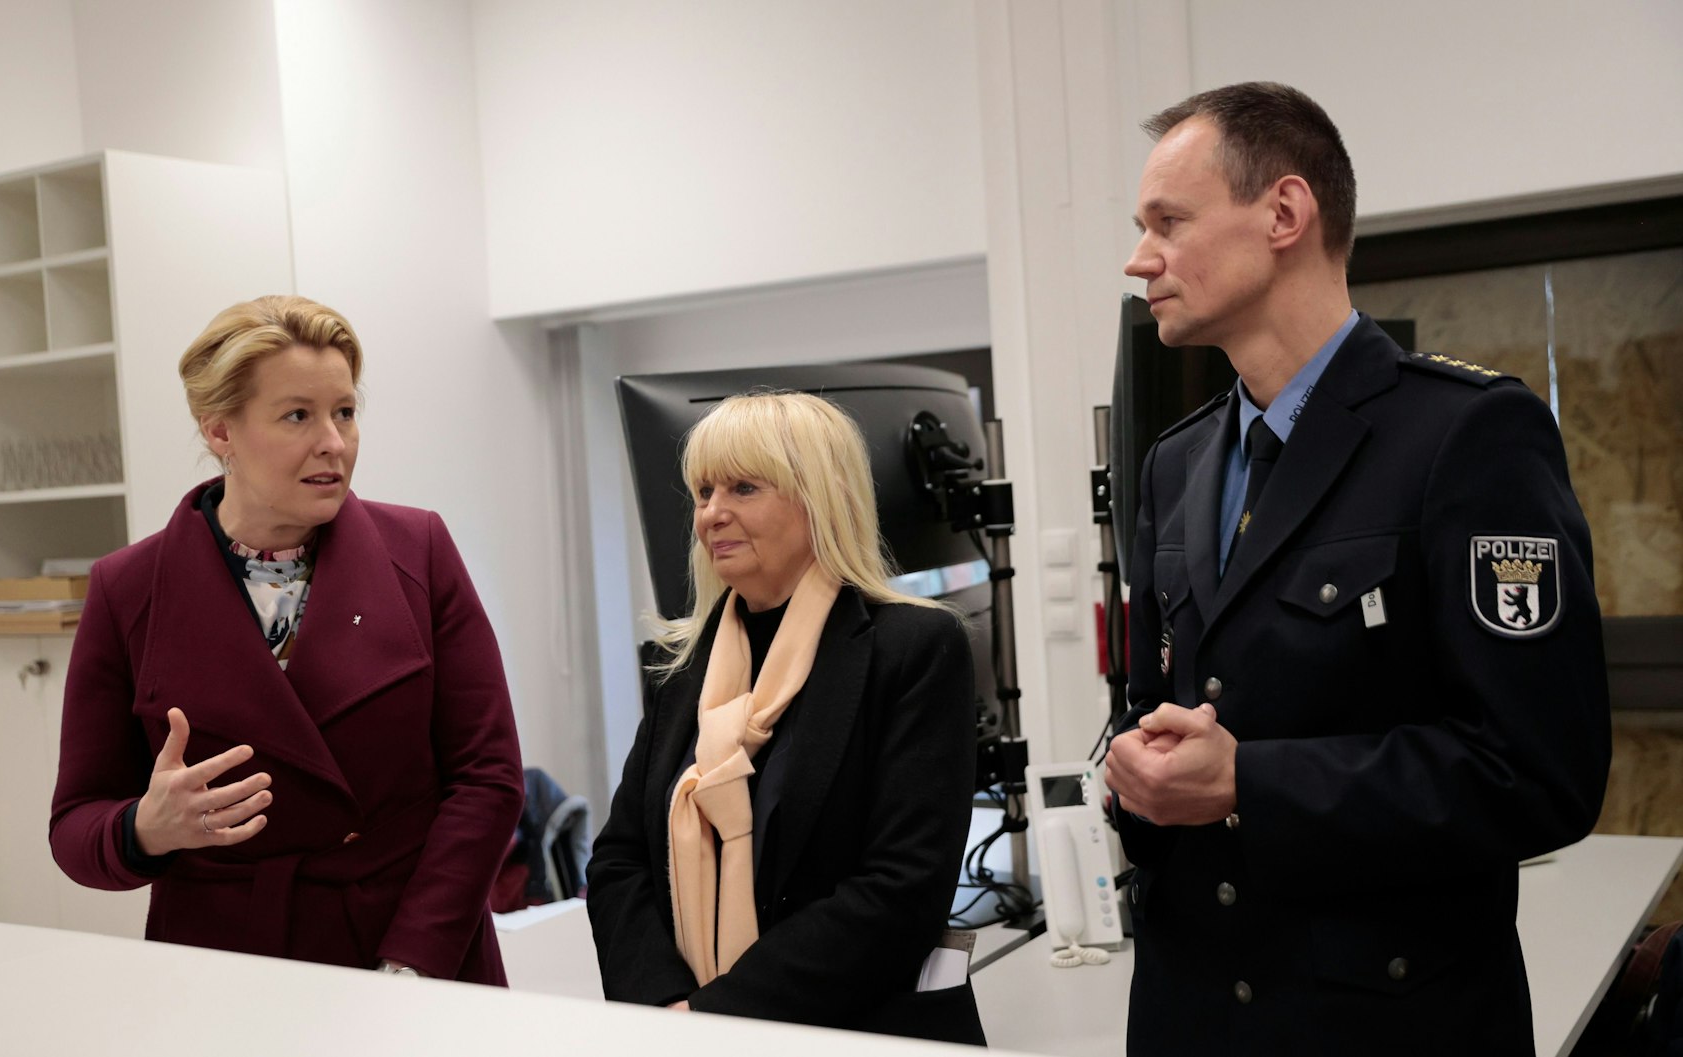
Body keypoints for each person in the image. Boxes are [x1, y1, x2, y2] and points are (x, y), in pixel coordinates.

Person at [1100, 82, 1611, 1056]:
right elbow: (1150, 699)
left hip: (1377, 1020)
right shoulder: (1175, 461)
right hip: (1187, 1009)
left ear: (1284, 213)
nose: (1139, 259)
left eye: (1168, 222)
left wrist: (1249, 780)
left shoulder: (1465, 435)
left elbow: (1537, 773)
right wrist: (1137, 771)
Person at [50, 294, 523, 982]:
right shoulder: (126, 588)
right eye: (298, 415)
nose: (334, 441)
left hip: (416, 945)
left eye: (345, 412)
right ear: (220, 430)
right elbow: (74, 824)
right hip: (229, 965)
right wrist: (144, 828)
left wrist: (414, 959)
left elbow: (488, 777)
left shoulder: (418, 551)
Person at [587, 391, 986, 1045]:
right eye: (704, 491)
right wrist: (663, 1008)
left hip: (858, 1034)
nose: (712, 513)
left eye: (744, 487)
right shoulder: (682, 667)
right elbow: (619, 859)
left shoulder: (913, 648)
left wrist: (718, 1016)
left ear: (819, 499)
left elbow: (901, 888)